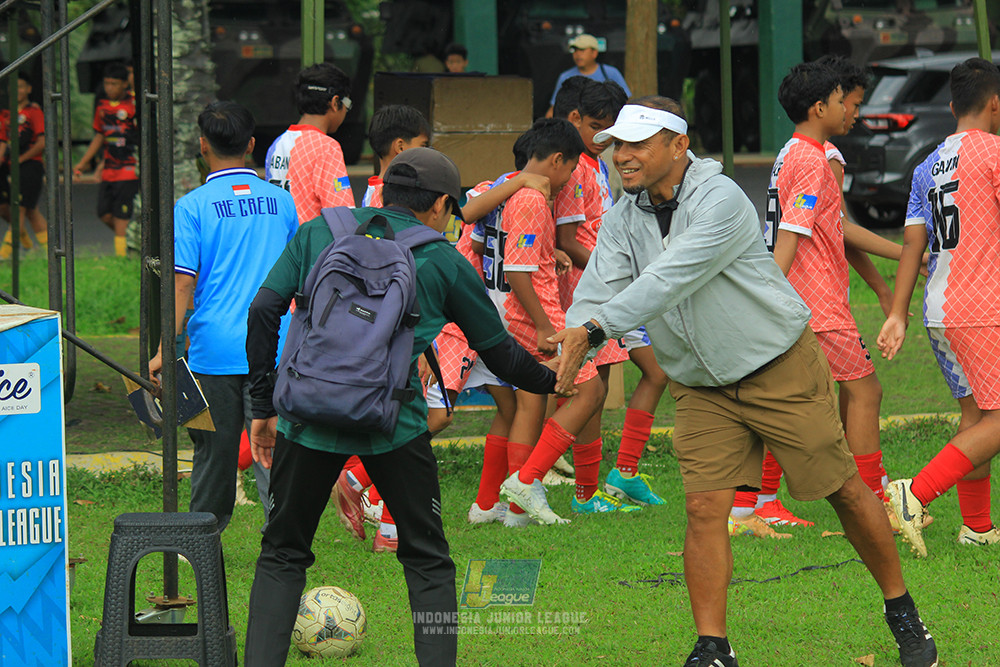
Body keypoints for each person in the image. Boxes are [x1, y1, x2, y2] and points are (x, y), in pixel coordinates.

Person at [550, 97, 938, 667]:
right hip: (701, 386)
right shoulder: (623, 215)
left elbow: (668, 279)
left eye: (637, 145)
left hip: (776, 366)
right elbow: (599, 286)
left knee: (844, 491)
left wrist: (593, 327)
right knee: (706, 508)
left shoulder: (721, 199)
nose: (622, 157)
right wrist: (571, 334)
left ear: (679, 145)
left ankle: (903, 612)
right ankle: (713, 648)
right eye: (616, 146)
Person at [243, 148, 565, 666]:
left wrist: (263, 401)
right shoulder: (441, 258)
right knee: (428, 560)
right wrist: (557, 381)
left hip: (306, 422)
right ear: (439, 204)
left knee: (282, 555)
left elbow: (263, 308)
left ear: (386, 192)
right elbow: (500, 353)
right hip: (395, 427)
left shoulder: (319, 234)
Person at [738, 61, 898, 535]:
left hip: (807, 301)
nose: (850, 110)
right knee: (865, 392)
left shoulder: (791, 152)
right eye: (843, 100)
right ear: (820, 106)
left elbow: (827, 228)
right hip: (817, 305)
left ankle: (758, 503)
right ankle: (875, 503)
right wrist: (767, 298)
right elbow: (792, 232)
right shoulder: (813, 158)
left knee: (787, 400)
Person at [148, 101, 298, 532]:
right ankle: (282, 542)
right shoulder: (282, 202)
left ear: (202, 145)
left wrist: (164, 348)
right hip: (274, 346)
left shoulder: (191, 207)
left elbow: (181, 284)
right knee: (274, 448)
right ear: (251, 145)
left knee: (213, 453)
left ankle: (201, 542)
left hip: (215, 351)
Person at [879, 57, 1000, 556]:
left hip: (940, 312)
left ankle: (977, 527)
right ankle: (915, 493)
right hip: (985, 307)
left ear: (951, 107)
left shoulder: (928, 164)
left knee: (977, 420)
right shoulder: (994, 154)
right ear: (995, 103)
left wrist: (896, 312)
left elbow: (913, 245)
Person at [476, 118, 615, 523]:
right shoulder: (534, 201)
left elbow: (508, 252)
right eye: (571, 169)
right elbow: (519, 273)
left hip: (513, 310)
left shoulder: (511, 191)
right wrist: (540, 325)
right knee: (588, 392)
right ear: (557, 160)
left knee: (529, 404)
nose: (570, 178)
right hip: (535, 314)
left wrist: (546, 255)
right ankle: (528, 480)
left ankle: (509, 509)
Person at [554, 76, 670, 507]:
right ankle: (562, 485)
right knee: (590, 392)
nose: (618, 149)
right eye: (606, 133)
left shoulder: (597, 163)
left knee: (653, 373)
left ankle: (623, 472)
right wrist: (620, 278)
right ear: (575, 120)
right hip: (599, 295)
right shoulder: (573, 167)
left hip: (621, 293)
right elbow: (568, 240)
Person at [264, 63, 354, 223]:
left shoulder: (277, 144)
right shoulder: (327, 147)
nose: (346, 111)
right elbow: (342, 215)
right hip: (313, 246)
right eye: (347, 104)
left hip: (283, 245)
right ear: (334, 103)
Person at [73, 62, 138, 257]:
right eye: (107, 83)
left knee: (121, 216)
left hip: (129, 170)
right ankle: (132, 241)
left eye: (114, 83)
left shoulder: (134, 104)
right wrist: (84, 162)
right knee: (104, 214)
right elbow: (100, 136)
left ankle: (122, 259)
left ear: (125, 84)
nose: (110, 88)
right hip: (109, 169)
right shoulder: (102, 106)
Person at [0, 72, 47, 260]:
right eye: (13, 87)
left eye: (21, 86)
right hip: (9, 167)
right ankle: (42, 251)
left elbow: (42, 143)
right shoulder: (5, 114)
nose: (17, 90)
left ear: (28, 89)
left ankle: (5, 253)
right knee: (30, 211)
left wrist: (20, 160)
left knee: (18, 208)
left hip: (29, 167)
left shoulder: (34, 112)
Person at [546, 34, 630, 118]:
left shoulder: (611, 73)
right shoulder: (565, 77)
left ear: (594, 53)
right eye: (575, 50)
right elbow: (554, 108)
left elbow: (626, 102)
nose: (578, 54)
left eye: (582, 50)